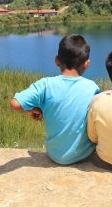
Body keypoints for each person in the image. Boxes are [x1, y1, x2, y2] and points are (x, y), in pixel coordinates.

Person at [10, 34, 100, 165]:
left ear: (57, 60)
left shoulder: (45, 84)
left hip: (54, 155)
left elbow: (15, 104)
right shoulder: (92, 88)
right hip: (84, 155)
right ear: (87, 64)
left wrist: (35, 108)